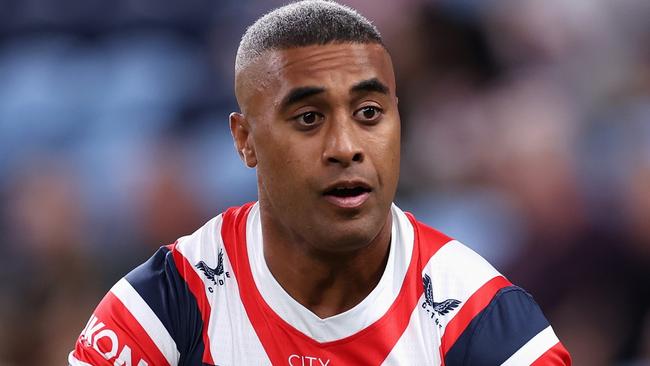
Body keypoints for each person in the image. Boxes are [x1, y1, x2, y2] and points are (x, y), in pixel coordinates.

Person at [69, 1, 572, 365]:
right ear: (246, 140)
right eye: (308, 118)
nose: (346, 146)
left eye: (369, 113)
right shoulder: (174, 296)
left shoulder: (479, 316)